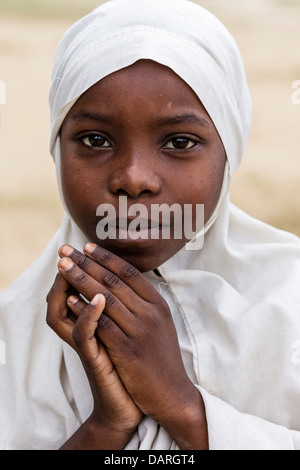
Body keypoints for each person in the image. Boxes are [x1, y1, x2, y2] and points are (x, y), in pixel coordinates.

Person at [0, 0, 300, 450]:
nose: (134, 178)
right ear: (58, 149)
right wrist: (106, 427)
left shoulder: (291, 304)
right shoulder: (11, 340)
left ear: (229, 152)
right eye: (95, 140)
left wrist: (182, 407)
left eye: (180, 142)